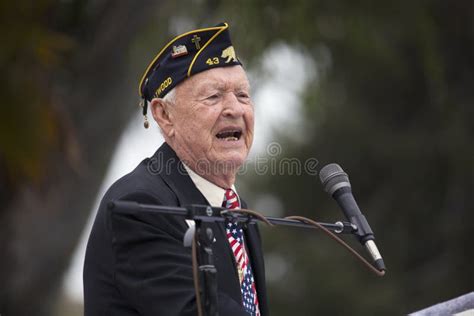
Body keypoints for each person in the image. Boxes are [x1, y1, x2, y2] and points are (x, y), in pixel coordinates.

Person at [83, 22, 268, 316]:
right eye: (214, 96)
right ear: (164, 115)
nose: (235, 109)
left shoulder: (236, 210)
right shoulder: (141, 204)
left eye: (243, 95)